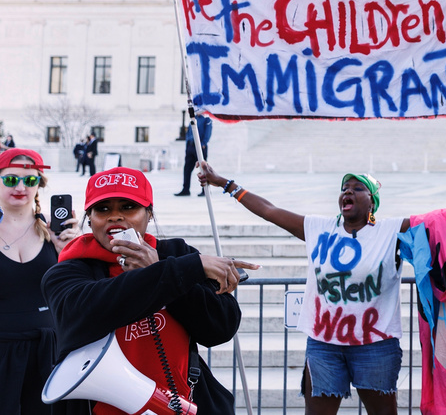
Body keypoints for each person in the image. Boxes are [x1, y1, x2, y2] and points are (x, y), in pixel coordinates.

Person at [197, 162, 446, 415]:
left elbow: (442, 220)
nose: (347, 192)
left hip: (374, 348)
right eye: (344, 188)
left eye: (357, 188)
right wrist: (223, 182)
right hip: (323, 347)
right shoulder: (319, 228)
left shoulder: (391, 232)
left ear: (371, 202)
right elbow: (268, 210)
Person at [41, 167, 259, 414]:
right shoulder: (66, 271)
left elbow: (221, 327)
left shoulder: (176, 254)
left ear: (149, 214)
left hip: (182, 401)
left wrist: (160, 267)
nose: (115, 217)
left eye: (128, 207)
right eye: (103, 210)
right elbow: (85, 311)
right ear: (89, 219)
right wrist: (175, 272)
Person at [0, 148, 82, 415]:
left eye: (31, 180)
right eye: (11, 179)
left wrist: (68, 251)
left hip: (49, 352)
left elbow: (76, 290)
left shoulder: (52, 232)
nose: (21, 187)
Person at [175, 115, 212, 197]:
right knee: (187, 169)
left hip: (200, 147)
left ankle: (205, 190)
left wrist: (203, 143)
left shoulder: (206, 118)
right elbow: (189, 132)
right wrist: (187, 144)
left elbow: (208, 132)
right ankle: (186, 190)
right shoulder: (193, 118)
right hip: (190, 147)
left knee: (203, 169)